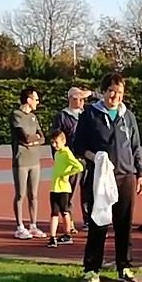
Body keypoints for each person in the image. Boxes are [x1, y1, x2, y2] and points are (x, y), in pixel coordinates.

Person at [72, 72, 142, 282]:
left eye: (120, 92)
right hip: (101, 177)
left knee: (124, 224)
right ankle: (91, 268)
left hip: (126, 176)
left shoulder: (127, 116)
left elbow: (135, 147)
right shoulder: (90, 115)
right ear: (103, 91)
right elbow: (78, 146)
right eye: (112, 91)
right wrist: (94, 157)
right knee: (99, 223)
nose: (115, 96)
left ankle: (124, 266)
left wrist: (140, 173)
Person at [50, 86, 92, 229]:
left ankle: (87, 219)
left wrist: (90, 93)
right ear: (70, 99)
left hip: (85, 158)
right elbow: (55, 138)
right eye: (77, 99)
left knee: (87, 191)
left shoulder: (87, 114)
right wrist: (57, 158)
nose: (81, 102)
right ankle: (69, 221)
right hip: (69, 159)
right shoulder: (62, 116)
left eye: (82, 99)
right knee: (68, 191)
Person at [9, 86, 47, 240]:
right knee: (20, 194)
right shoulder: (16, 115)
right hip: (21, 161)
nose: (38, 102)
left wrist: (34, 140)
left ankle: (33, 225)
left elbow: (42, 137)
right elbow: (23, 137)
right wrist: (33, 139)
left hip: (35, 160)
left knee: (34, 195)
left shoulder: (33, 117)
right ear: (28, 99)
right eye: (36, 99)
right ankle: (19, 226)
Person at [45, 129, 84, 248]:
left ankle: (67, 234)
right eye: (52, 143)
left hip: (64, 188)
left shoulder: (67, 153)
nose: (54, 145)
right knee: (54, 213)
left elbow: (79, 167)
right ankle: (52, 237)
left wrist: (68, 174)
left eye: (56, 142)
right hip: (54, 187)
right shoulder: (57, 154)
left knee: (65, 211)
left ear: (63, 141)